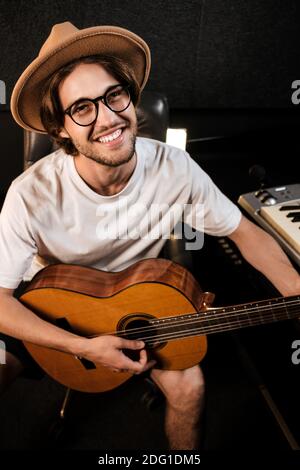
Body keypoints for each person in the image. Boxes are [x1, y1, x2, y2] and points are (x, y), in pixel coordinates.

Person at [0, 22, 299, 450]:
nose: (107, 118)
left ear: (130, 96)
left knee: (191, 388)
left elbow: (244, 231)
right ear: (60, 129)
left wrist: (295, 290)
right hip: (51, 311)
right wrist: (82, 346)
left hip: (141, 302)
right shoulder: (30, 195)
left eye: (113, 95)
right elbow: (0, 301)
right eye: (82, 109)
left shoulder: (175, 169)